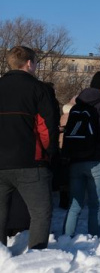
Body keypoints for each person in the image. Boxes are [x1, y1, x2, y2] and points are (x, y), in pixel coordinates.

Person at [0, 46, 59, 249]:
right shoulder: (39, 89)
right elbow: (46, 127)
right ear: (29, 63)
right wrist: (49, 155)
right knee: (41, 212)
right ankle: (36, 257)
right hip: (30, 162)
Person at [62, 71, 100, 237]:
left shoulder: (77, 105)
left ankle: (66, 236)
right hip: (98, 159)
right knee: (95, 205)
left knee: (75, 204)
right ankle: (93, 239)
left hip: (76, 159)